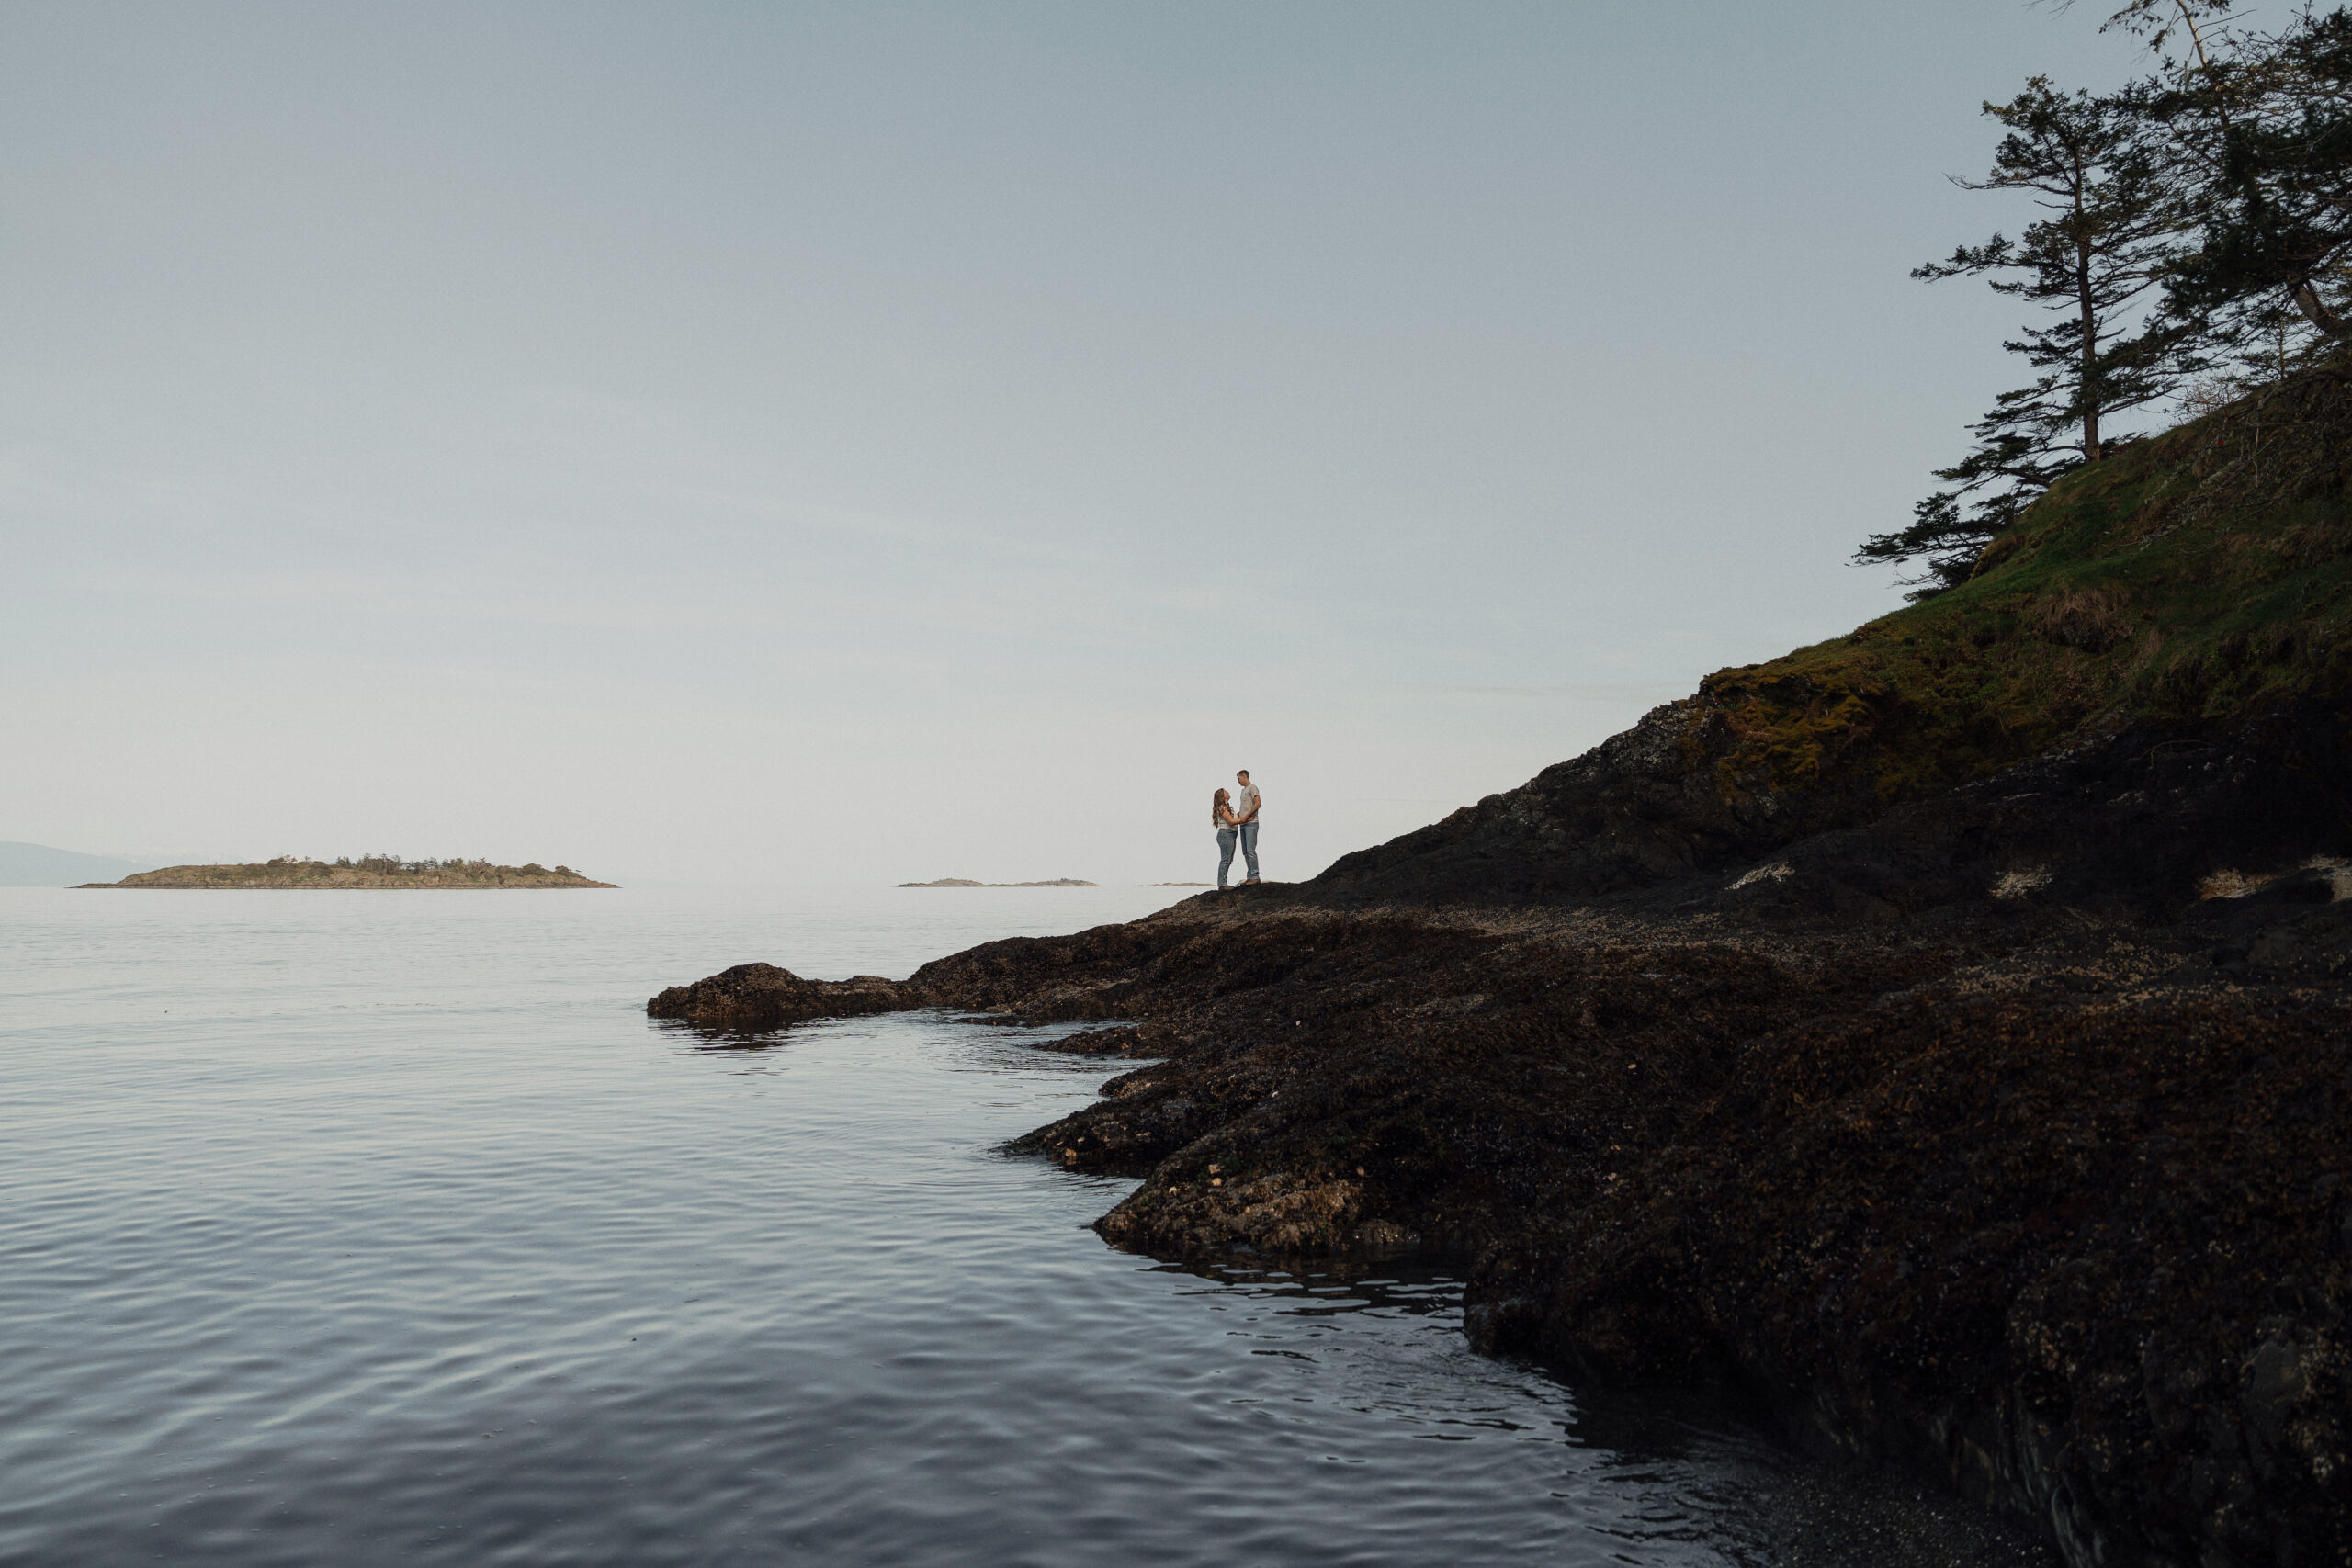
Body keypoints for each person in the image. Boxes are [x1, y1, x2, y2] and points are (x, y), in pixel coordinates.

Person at [1231, 769, 1261, 884]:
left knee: (1250, 850)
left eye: (1239, 778)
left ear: (1244, 777)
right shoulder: (1243, 790)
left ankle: (1255, 876)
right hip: (1243, 824)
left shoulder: (1252, 787)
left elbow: (1258, 803)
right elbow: (1244, 808)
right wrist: (1237, 816)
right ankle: (1250, 876)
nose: (1238, 781)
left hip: (1251, 824)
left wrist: (1248, 816)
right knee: (1245, 851)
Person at [1212, 788, 1241, 888]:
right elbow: (1231, 821)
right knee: (1225, 860)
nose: (1228, 792)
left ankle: (1223, 883)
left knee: (1228, 860)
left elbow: (1235, 818)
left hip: (1231, 834)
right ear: (1222, 796)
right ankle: (1222, 884)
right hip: (1226, 834)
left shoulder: (1227, 807)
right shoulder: (1221, 807)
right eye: (1226, 791)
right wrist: (1244, 819)